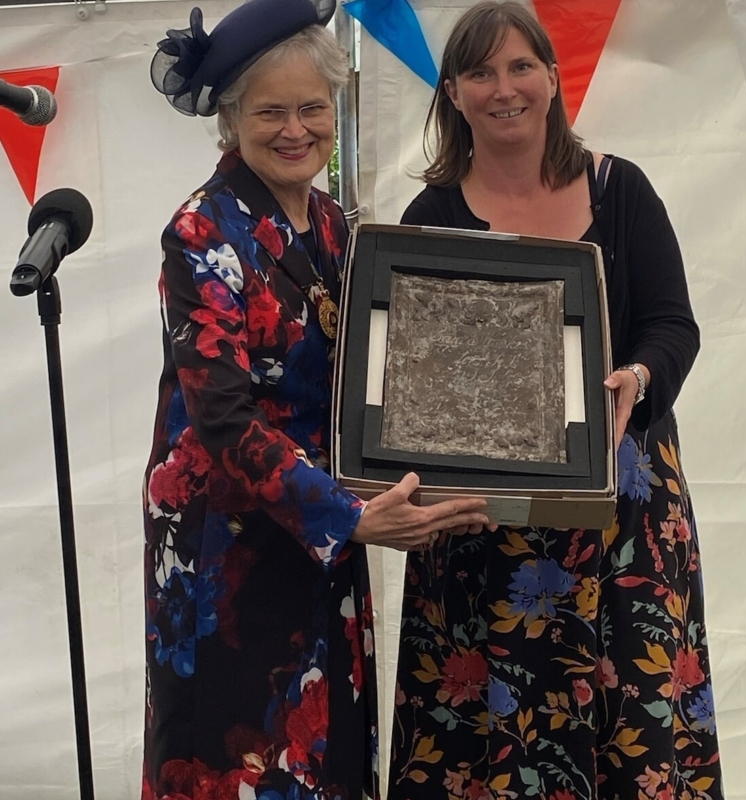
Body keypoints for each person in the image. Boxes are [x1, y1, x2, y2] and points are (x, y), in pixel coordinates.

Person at [144, 1, 490, 798]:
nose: (295, 128)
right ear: (231, 121)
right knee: (243, 763)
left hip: (323, 528)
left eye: (311, 108)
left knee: (329, 748)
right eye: (271, 111)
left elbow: (369, 375)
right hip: (230, 547)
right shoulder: (201, 232)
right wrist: (355, 516)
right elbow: (223, 415)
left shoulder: (333, 223)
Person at [388, 3, 723, 799]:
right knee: (490, 751)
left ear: (552, 77)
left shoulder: (620, 189)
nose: (504, 89)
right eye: (480, 72)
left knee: (632, 735)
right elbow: (412, 375)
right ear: (454, 93)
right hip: (482, 531)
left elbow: (673, 325)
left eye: (520, 67)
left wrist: (636, 379)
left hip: (625, 515)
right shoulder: (429, 219)